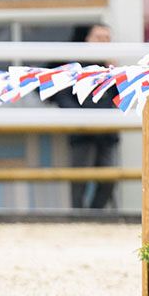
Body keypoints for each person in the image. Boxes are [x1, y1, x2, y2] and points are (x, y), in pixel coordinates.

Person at [54, 23, 120, 210]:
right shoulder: (74, 67)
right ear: (87, 40)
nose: (103, 43)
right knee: (79, 180)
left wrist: (115, 71)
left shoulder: (113, 69)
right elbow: (62, 96)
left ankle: (95, 214)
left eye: (107, 39)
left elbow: (123, 97)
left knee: (109, 180)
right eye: (99, 38)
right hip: (82, 132)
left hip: (107, 134)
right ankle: (77, 216)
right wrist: (79, 117)